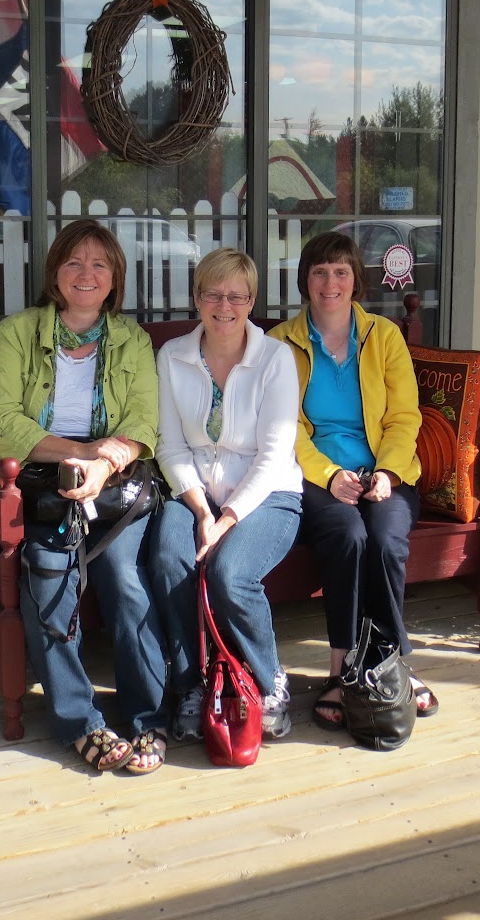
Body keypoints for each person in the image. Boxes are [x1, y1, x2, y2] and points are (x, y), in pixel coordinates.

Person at [0, 218, 168, 774]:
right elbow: (3, 423)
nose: (87, 274)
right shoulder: (15, 334)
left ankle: (147, 717)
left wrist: (104, 462)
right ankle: (78, 721)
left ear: (115, 278)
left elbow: (144, 422)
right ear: (55, 273)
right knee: (49, 575)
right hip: (42, 482)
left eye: (100, 264)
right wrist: (78, 453)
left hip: (114, 485)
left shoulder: (131, 339)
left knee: (127, 583)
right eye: (74, 262)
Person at [271, 230, 439, 732]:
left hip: (385, 472)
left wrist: (387, 473)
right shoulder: (280, 344)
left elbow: (405, 417)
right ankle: (341, 669)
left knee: (385, 539)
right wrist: (328, 475)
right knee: (348, 536)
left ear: (355, 280)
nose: (331, 282)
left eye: (341, 271)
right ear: (305, 280)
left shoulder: (383, 337)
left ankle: (391, 664)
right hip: (317, 476)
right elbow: (284, 425)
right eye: (320, 272)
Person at [148, 249, 303, 743]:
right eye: (213, 294)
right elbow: (169, 445)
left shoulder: (275, 359)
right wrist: (199, 509)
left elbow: (274, 455)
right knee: (169, 558)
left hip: (267, 494)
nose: (224, 306)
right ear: (197, 298)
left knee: (230, 573)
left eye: (237, 296)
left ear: (251, 301)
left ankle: (269, 681)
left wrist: (226, 519)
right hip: (192, 490)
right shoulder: (172, 356)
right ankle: (190, 684)